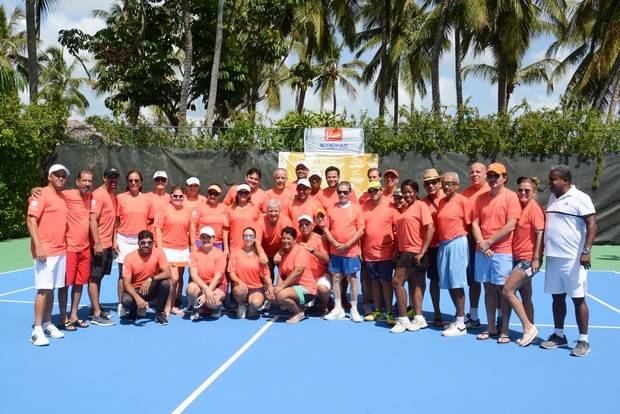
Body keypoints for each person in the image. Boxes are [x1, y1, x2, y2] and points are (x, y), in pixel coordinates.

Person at [540, 165, 596, 357]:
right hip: (553, 258)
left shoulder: (581, 198)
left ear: (565, 180)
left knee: (578, 299)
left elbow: (591, 223)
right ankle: (559, 334)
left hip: (573, 259)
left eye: (553, 179)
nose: (550, 183)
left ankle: (583, 340)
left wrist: (586, 251)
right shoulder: (552, 197)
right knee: (557, 298)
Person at [471, 162, 521, 343]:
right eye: (490, 175)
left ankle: (505, 330)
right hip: (482, 252)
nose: (492, 179)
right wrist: (481, 243)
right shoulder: (479, 199)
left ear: (504, 178)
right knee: (489, 289)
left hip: (502, 252)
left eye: (496, 176)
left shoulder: (511, 197)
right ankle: (491, 327)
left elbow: (511, 225)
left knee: (503, 290)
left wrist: (490, 242)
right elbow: (475, 223)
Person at [27, 164, 70, 346]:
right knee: (43, 289)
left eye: (63, 176)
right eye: (57, 175)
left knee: (52, 288)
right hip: (45, 251)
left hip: (60, 250)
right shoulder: (41, 194)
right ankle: (36, 330)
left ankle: (47, 323)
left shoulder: (62, 197)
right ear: (49, 177)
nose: (61, 178)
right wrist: (39, 246)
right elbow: (31, 220)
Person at [502, 177, 545, 346]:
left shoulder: (534, 208)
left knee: (507, 291)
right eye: (520, 190)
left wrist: (536, 258)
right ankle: (529, 328)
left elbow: (540, 233)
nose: (523, 193)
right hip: (518, 257)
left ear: (534, 193)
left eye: (527, 190)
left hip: (528, 260)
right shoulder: (521, 207)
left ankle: (528, 327)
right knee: (526, 296)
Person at [391, 180, 434, 333]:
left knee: (396, 282)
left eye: (410, 191)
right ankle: (419, 318)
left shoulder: (421, 206)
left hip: (414, 251)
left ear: (416, 192)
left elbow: (430, 228)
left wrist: (422, 252)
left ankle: (403, 319)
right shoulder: (406, 208)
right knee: (415, 283)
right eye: (405, 192)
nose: (407, 194)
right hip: (405, 251)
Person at [321, 181, 365, 322]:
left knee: (352, 279)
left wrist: (347, 244)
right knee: (336, 278)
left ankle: (354, 309)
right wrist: (335, 243)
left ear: (350, 193)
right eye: (340, 192)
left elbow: (361, 230)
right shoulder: (331, 208)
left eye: (345, 192)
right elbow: (326, 228)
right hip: (335, 251)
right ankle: (338, 308)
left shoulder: (356, 208)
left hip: (351, 251)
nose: (342, 194)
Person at [435, 172, 471, 337]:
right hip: (443, 245)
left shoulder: (463, 201)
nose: (446, 186)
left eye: (450, 183)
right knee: (449, 283)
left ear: (457, 185)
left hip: (457, 243)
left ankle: (461, 323)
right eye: (444, 183)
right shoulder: (441, 201)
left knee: (456, 282)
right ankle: (458, 319)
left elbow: (471, 225)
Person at [58, 170, 94, 331]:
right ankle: (63, 317)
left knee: (79, 284)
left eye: (90, 181)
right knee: (65, 284)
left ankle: (74, 315)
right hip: (70, 249)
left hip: (85, 249)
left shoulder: (91, 198)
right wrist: (35, 190)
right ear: (77, 182)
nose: (87, 184)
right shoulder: (67, 195)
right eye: (84, 180)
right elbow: (50, 192)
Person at [115, 170, 153, 317]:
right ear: (127, 182)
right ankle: (121, 305)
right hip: (123, 239)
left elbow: (150, 222)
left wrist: (150, 242)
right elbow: (116, 221)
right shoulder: (120, 198)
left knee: (143, 274)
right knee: (122, 275)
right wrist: (114, 240)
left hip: (141, 241)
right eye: (130, 180)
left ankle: (141, 306)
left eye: (136, 181)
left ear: (141, 183)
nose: (133, 183)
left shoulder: (147, 200)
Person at [361, 181, 398, 324]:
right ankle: (377, 310)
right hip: (369, 253)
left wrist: (395, 248)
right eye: (370, 190)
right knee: (374, 282)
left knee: (386, 282)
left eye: (375, 190)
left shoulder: (390, 206)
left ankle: (389, 311)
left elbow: (397, 229)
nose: (373, 193)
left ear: (381, 190)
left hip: (386, 254)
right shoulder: (364, 207)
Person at [154, 185, 194, 317]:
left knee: (180, 278)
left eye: (180, 196)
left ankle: (174, 304)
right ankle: (166, 308)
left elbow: (191, 230)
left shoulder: (188, 211)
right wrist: (160, 249)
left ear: (184, 197)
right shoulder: (164, 210)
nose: (178, 198)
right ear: (170, 197)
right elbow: (158, 229)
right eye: (175, 196)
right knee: (173, 278)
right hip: (167, 249)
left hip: (183, 250)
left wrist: (192, 246)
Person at [89, 167, 119, 326]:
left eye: (115, 177)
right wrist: (98, 243)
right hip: (98, 246)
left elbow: (113, 222)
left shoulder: (112, 196)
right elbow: (92, 219)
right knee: (94, 277)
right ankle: (96, 314)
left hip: (107, 244)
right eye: (110, 177)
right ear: (104, 177)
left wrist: (113, 241)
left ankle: (96, 307)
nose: (113, 180)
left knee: (99, 277)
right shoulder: (98, 195)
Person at [120, 230, 171, 325]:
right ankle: (133, 310)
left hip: (151, 288)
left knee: (165, 283)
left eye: (149, 243)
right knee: (126, 300)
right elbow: (126, 283)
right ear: (138, 243)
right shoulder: (129, 258)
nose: (146, 245)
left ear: (153, 243)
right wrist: (137, 298)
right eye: (143, 242)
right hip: (136, 290)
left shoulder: (159, 253)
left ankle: (159, 313)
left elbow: (168, 273)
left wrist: (151, 279)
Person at [269, 227, 317, 324]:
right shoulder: (284, 254)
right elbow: (281, 274)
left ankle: (299, 313)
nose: (285, 241)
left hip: (307, 289)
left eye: (288, 238)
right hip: (293, 287)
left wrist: (281, 288)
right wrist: (277, 288)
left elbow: (298, 271)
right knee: (271, 296)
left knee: (281, 296)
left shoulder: (301, 251)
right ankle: (299, 306)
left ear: (294, 240)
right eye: (283, 238)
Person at [461, 162, 489, 327]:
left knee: (493, 284)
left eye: (478, 171)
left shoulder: (491, 191)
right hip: (471, 242)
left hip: (492, 243)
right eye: (472, 172)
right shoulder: (465, 193)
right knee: (474, 281)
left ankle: (499, 319)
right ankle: (474, 316)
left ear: (485, 174)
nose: (475, 174)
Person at [421, 168, 446, 326]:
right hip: (431, 248)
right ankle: (437, 312)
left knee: (454, 282)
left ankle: (460, 315)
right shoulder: (423, 203)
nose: (431, 186)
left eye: (434, 182)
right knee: (434, 281)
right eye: (427, 183)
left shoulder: (449, 198)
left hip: (448, 246)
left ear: (440, 183)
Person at [228, 227, 271, 319]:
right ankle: (241, 304)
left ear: (255, 238)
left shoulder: (260, 255)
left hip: (256, 288)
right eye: (246, 236)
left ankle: (251, 308)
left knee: (255, 305)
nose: (248, 238)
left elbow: (266, 275)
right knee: (239, 292)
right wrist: (240, 282)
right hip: (241, 287)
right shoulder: (235, 253)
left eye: (251, 236)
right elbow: (231, 273)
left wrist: (270, 286)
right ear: (242, 238)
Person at [186, 226, 227, 321]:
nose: (206, 240)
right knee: (191, 289)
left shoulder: (220, 254)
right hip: (202, 284)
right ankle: (195, 308)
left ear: (214, 238)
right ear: (200, 239)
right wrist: (206, 289)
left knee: (212, 302)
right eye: (203, 237)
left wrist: (207, 292)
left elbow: (218, 277)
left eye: (208, 237)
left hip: (217, 285)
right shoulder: (194, 254)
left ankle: (217, 308)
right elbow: (194, 275)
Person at [296, 214, 331, 315]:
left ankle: (324, 307)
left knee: (323, 289)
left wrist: (311, 250)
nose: (304, 227)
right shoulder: (296, 240)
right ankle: (313, 300)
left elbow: (326, 259)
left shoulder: (319, 239)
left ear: (312, 226)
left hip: (320, 275)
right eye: (301, 225)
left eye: (307, 224)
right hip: (304, 279)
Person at [257, 199, 292, 281]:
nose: (273, 214)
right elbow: (257, 241)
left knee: (284, 276)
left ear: (280, 211)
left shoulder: (286, 221)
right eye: (270, 211)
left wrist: (280, 253)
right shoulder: (260, 221)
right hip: (266, 254)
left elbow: (289, 241)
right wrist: (261, 253)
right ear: (266, 211)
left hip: (283, 252)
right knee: (268, 278)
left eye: (276, 211)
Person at [192, 183, 229, 255]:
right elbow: (193, 226)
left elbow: (225, 229)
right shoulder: (199, 207)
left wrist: (226, 247)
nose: (212, 196)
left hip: (218, 244)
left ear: (219, 195)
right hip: (201, 243)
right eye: (210, 193)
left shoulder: (224, 208)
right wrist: (193, 245)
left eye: (215, 194)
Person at [225, 183, 262, 251]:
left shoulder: (255, 209)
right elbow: (225, 229)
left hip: (251, 249)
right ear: (237, 194)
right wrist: (226, 248)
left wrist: (258, 246)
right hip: (234, 248)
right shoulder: (229, 209)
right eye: (240, 192)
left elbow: (260, 226)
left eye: (246, 193)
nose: (243, 195)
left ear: (249, 194)